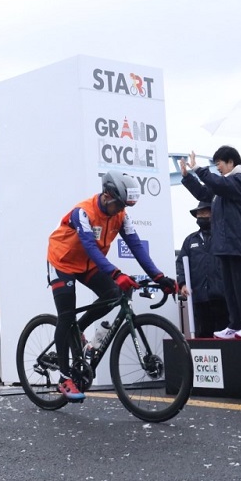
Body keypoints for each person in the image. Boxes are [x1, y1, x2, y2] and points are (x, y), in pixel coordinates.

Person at [47, 170, 178, 402]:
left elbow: (136, 246)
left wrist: (159, 277)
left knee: (112, 292)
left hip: (87, 264)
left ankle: (78, 329)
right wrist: (115, 272)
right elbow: (89, 245)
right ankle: (63, 377)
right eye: (118, 204)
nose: (121, 210)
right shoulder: (83, 212)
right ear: (107, 195)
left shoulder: (121, 216)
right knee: (65, 315)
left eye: (124, 206)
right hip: (62, 261)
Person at [179, 146, 241, 339]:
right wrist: (187, 177)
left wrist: (199, 169)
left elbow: (219, 185)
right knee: (229, 287)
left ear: (231, 162)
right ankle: (235, 324)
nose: (218, 169)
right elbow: (203, 193)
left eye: (220, 164)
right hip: (223, 243)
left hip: (238, 241)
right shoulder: (222, 187)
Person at [175, 200, 230, 338]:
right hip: (199, 297)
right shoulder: (190, 240)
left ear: (213, 214)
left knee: (224, 336)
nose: (201, 216)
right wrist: (182, 283)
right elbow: (181, 263)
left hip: (222, 297)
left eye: (205, 212)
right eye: (199, 214)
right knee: (203, 336)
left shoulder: (223, 236)